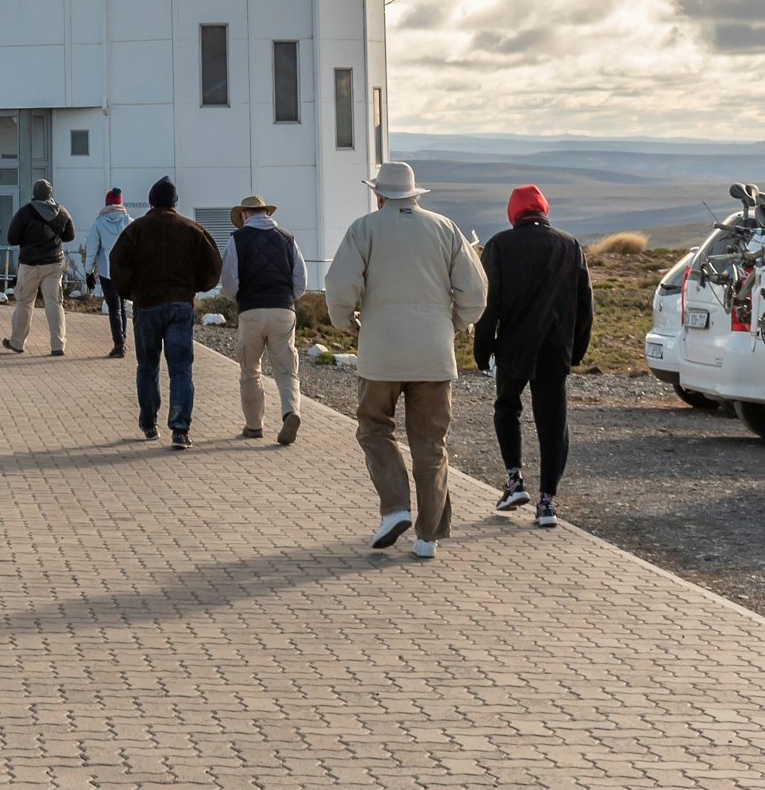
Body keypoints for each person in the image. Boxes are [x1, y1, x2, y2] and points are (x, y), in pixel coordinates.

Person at [322, 158, 488, 559]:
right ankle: (428, 537)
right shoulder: (445, 228)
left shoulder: (364, 229)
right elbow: (476, 290)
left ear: (379, 194)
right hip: (433, 353)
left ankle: (395, 507)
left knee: (375, 429)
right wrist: (455, 323)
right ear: (414, 193)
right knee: (431, 443)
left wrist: (344, 319)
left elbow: (340, 283)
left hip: (381, 350)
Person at [475, 183, 593, 528]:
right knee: (553, 424)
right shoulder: (570, 246)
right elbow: (585, 303)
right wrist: (577, 350)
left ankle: (514, 481)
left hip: (513, 348)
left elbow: (488, 305)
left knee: (507, 408)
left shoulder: (498, 246)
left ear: (514, 213)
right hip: (556, 349)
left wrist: (483, 351)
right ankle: (547, 502)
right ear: (544, 210)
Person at [106, 177, 222, 447]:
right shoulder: (193, 229)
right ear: (175, 202)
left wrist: (129, 292)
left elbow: (117, 262)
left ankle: (149, 423)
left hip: (146, 306)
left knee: (147, 367)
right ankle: (180, 428)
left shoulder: (136, 230)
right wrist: (195, 287)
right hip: (181, 305)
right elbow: (213, 266)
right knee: (181, 369)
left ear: (151, 201)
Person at [219, 195, 306, 444]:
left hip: (251, 310)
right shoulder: (288, 237)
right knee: (287, 370)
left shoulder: (238, 239)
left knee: (250, 369)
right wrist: (288, 298)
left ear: (244, 214)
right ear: (266, 213)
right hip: (283, 309)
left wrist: (240, 299)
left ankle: (254, 426)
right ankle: (291, 411)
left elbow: (229, 282)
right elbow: (300, 280)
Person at [3, 179, 76, 356]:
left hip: (30, 264)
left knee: (25, 302)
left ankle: (17, 342)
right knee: (54, 304)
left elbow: (12, 238)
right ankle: (58, 345)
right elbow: (70, 236)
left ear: (34, 193)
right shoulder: (61, 211)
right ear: (50, 194)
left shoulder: (25, 213)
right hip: (54, 264)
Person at [80, 187, 132, 358]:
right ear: (120, 203)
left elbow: (92, 250)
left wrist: (89, 273)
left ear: (107, 203)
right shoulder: (129, 222)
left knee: (113, 308)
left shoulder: (99, 223)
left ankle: (118, 344)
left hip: (107, 272)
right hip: (125, 271)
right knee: (122, 306)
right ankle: (123, 341)